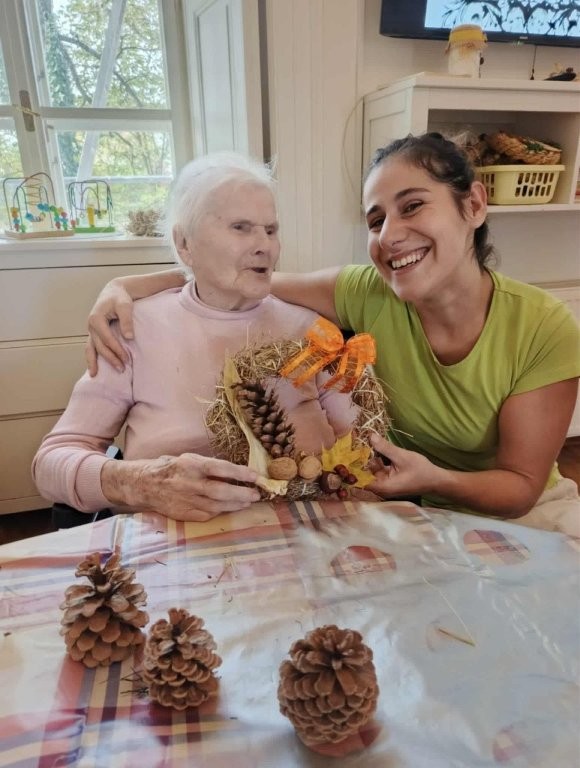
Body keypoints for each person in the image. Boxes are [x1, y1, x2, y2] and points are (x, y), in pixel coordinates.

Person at [84, 133, 580, 533]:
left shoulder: (543, 327)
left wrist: (432, 480)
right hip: (417, 506)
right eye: (376, 220)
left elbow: (521, 489)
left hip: (518, 512)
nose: (390, 235)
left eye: (412, 206)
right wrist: (127, 286)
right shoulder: (370, 292)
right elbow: (239, 278)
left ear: (473, 205)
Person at [32, 152, 357, 523]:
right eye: (240, 227)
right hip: (174, 541)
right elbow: (50, 464)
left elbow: (363, 444)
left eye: (271, 230)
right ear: (184, 243)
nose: (265, 246)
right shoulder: (135, 328)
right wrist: (141, 482)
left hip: (305, 532)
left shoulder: (312, 330)